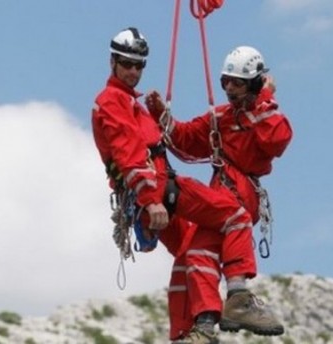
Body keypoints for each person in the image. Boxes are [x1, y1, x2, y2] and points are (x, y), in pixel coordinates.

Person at [92, 28, 278, 343]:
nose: (134, 71)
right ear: (113, 62)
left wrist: (161, 117)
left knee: (192, 251)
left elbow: (182, 139)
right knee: (235, 216)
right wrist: (151, 199)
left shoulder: (129, 102)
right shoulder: (113, 101)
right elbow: (130, 153)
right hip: (158, 189)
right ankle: (238, 298)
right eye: (127, 64)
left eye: (139, 65)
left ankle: (194, 331)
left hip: (153, 191)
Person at [145, 45, 293, 338]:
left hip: (241, 191)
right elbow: (185, 138)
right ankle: (203, 325)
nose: (228, 88)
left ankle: (237, 295)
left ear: (253, 84)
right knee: (196, 251)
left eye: (236, 83)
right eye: (225, 81)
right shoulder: (221, 118)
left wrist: (265, 98)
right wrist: (162, 116)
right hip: (221, 189)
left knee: (230, 215)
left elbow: (277, 140)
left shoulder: (267, 116)